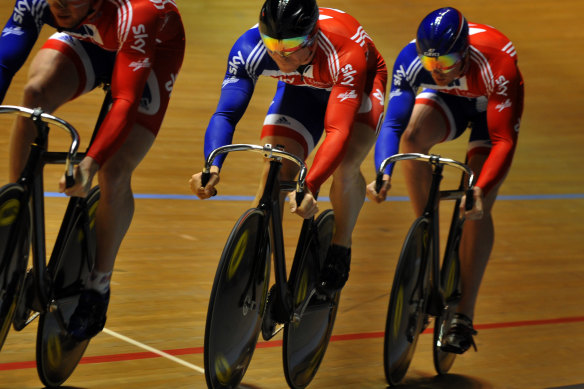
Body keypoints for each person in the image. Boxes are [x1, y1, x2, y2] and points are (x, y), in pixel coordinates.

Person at [0, 0, 185, 340]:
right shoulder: (44, 3)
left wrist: (89, 163)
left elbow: (126, 100)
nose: (60, 5)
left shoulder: (136, 13)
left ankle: (98, 286)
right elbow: (4, 58)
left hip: (148, 52)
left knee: (113, 171)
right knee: (33, 94)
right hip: (89, 40)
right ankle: (14, 223)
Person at [190, 0, 387, 297]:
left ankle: (340, 246)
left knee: (345, 165)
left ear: (311, 37)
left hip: (358, 84)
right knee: (274, 167)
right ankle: (259, 266)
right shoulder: (249, 47)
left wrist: (309, 184)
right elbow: (226, 114)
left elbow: (338, 130)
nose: (280, 52)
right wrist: (212, 165)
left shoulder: (344, 52)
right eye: (272, 42)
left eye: (292, 44)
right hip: (301, 86)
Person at [367, 7, 524, 354]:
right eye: (430, 64)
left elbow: (503, 141)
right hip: (451, 99)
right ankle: (425, 230)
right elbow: (393, 125)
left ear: (465, 52)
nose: (436, 71)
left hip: (489, 107)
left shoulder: (498, 65)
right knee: (411, 138)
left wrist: (480, 189)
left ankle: (463, 315)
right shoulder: (413, 61)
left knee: (475, 206)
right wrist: (384, 170)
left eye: (446, 62)